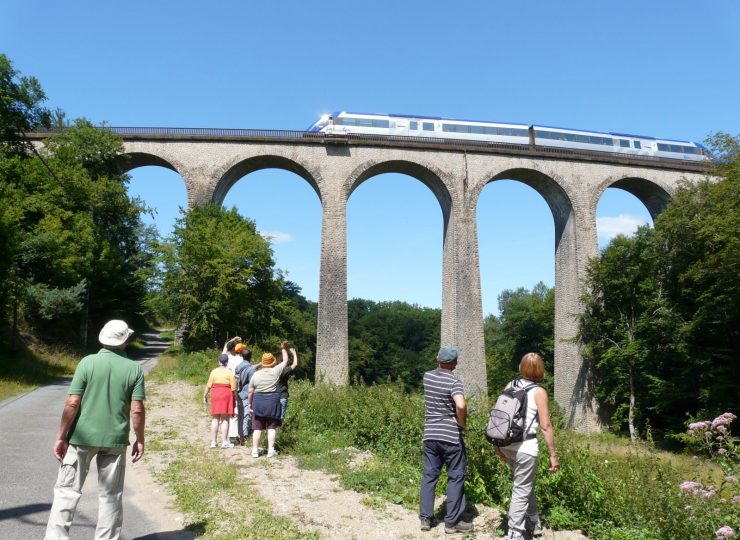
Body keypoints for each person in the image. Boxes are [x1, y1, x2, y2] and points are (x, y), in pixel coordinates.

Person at [45, 319, 145, 540]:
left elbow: (72, 403)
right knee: (110, 496)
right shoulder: (134, 369)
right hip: (115, 441)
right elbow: (137, 410)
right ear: (125, 341)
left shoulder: (87, 363)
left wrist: (61, 436)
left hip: (81, 438)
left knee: (66, 492)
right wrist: (140, 438)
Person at [494, 352, 559, 540]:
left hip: (507, 445)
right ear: (540, 370)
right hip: (526, 448)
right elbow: (546, 426)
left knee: (524, 483)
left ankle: (534, 521)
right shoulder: (539, 392)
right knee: (521, 489)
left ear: (521, 367)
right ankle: (514, 533)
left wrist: (497, 446)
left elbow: (499, 416)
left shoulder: (510, 386)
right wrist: (553, 455)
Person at [419, 346, 473, 534]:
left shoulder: (427, 377)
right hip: (450, 435)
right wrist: (461, 422)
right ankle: (452, 523)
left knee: (429, 476)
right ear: (455, 363)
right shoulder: (454, 382)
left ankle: (426, 519)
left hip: (430, 434)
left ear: (437, 359)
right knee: (456, 476)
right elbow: (461, 403)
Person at [247, 342, 292, 458]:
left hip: (259, 401)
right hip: (273, 401)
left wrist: (250, 403)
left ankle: (255, 451)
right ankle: (271, 450)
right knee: (272, 427)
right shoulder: (275, 371)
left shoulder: (255, 375)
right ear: (273, 362)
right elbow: (286, 361)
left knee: (257, 428)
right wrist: (283, 348)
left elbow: (250, 391)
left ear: (262, 363)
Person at [203, 353, 237, 449]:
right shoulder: (229, 372)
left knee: (215, 418)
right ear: (227, 362)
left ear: (219, 362)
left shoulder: (214, 372)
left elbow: (208, 385)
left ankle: (213, 442)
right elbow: (233, 388)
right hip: (226, 394)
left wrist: (204, 396)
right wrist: (236, 399)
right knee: (225, 419)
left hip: (216, 394)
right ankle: (224, 442)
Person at [234, 345, 256, 444]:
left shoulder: (238, 367)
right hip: (247, 394)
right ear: (250, 356)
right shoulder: (251, 369)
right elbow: (253, 383)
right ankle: (245, 436)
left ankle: (240, 435)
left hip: (238, 393)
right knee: (247, 415)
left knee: (240, 415)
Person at [276, 343, 298, 421]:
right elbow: (295, 364)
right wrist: (294, 354)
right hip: (283, 396)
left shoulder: (273, 370)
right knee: (281, 419)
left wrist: (283, 349)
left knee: (273, 418)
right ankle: (279, 431)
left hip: (273, 397)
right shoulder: (285, 371)